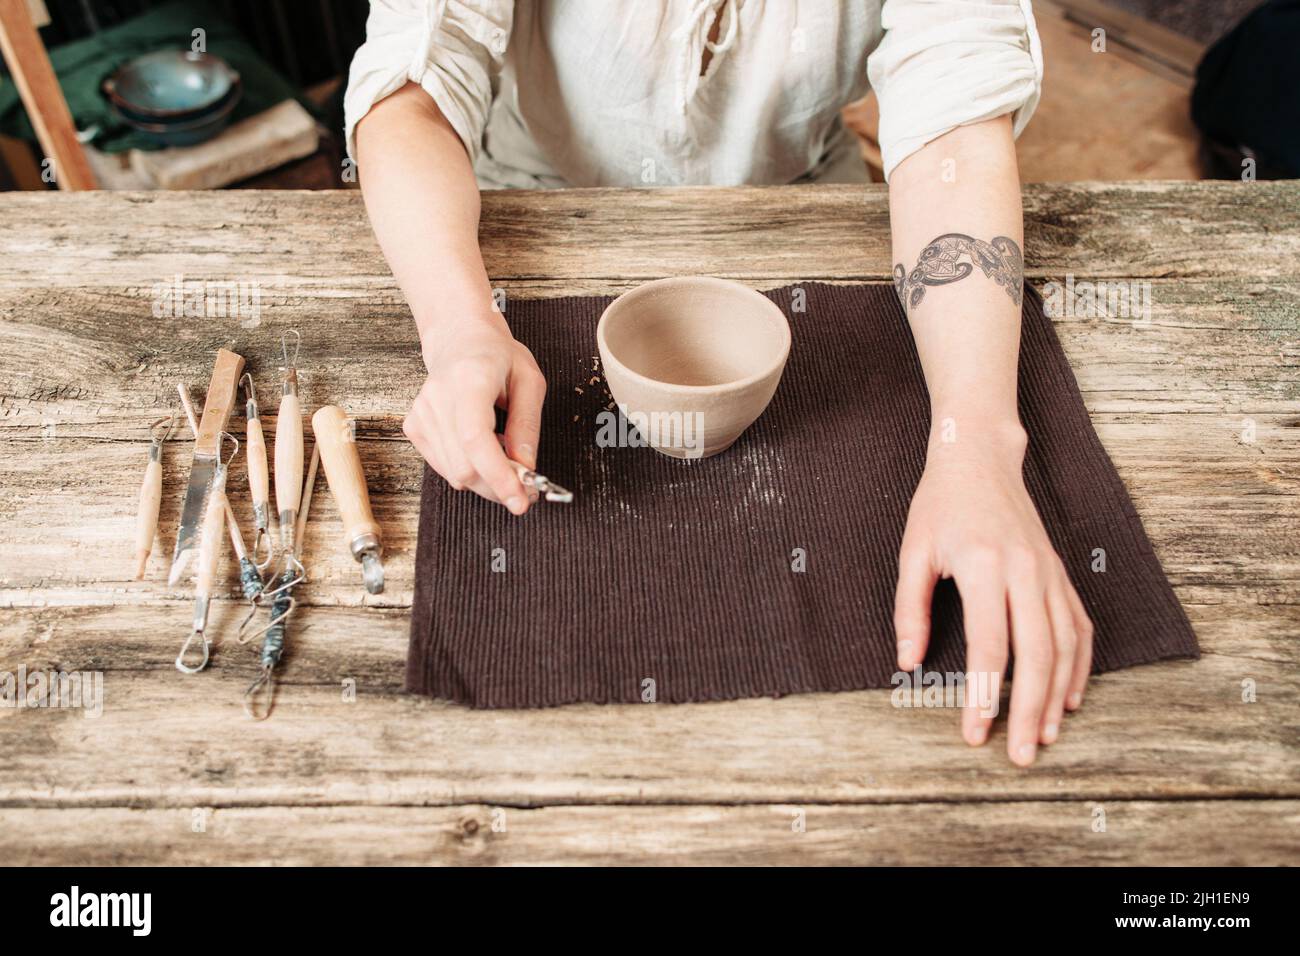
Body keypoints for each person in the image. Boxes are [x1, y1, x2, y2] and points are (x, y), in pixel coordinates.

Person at [347, 0, 1092, 767]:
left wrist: (980, 446)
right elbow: (412, 93)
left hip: (802, 209)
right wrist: (460, 326)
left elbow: (956, 135)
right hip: (529, 209)